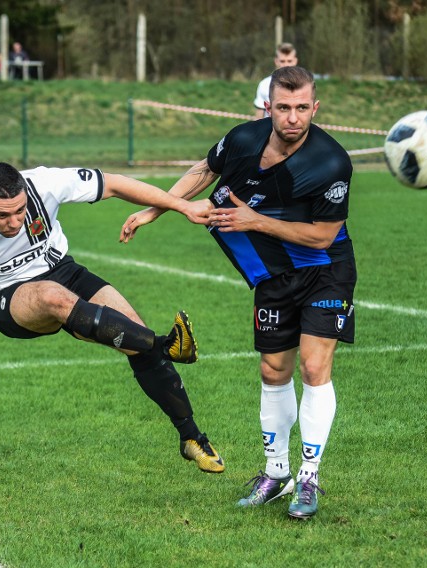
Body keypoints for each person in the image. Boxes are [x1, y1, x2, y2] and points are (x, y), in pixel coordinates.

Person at [0, 163, 225, 474]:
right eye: (2, 216)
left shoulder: (44, 183)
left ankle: (192, 438)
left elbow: (115, 183)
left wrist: (181, 206)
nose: (13, 222)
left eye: (19, 211)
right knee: (51, 296)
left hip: (63, 271)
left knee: (134, 334)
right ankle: (167, 345)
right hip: (7, 297)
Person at [121, 66, 355, 519]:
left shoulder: (330, 162)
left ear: (315, 107)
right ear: (268, 106)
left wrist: (255, 221)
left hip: (325, 271)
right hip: (272, 275)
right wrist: (157, 210)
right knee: (272, 372)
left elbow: (324, 235)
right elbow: (205, 171)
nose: (292, 117)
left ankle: (309, 478)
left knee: (313, 366)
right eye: (283, 107)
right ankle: (276, 473)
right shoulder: (244, 139)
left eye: (302, 108)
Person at [253, 43, 298, 119]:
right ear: (276, 61)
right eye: (282, 61)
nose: (286, 65)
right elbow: (258, 117)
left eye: (289, 61)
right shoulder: (265, 85)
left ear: (295, 61)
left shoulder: (305, 85)